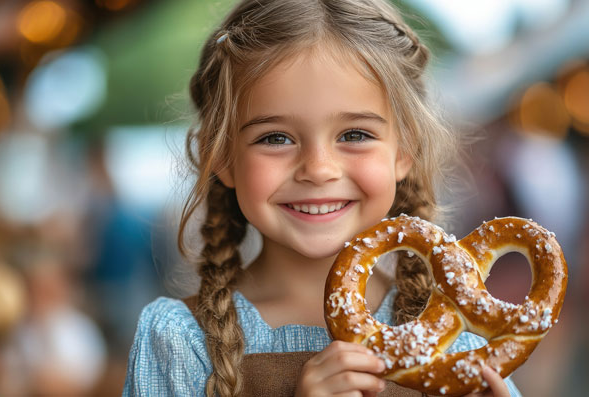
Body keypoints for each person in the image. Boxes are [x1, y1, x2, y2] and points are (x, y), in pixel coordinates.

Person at [123, 0, 522, 396]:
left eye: (354, 135)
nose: (318, 168)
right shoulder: (179, 341)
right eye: (275, 138)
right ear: (223, 157)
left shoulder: (463, 339)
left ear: (404, 152)